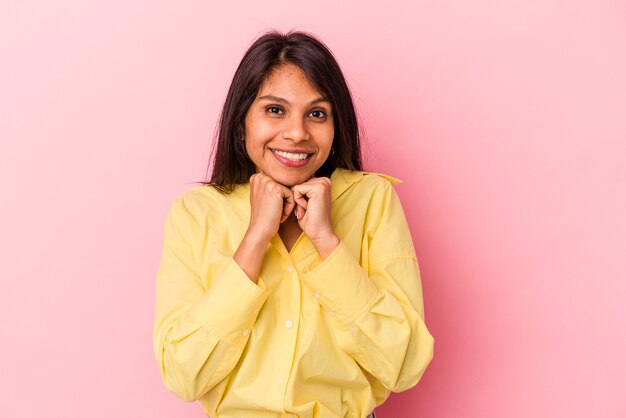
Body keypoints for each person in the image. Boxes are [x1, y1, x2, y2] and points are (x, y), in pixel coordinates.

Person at [152, 29, 434, 418]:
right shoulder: (195, 213)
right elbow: (183, 376)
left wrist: (327, 242)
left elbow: (403, 366)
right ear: (242, 122)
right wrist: (255, 239)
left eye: (316, 114)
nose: (297, 132)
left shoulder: (373, 201)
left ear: (335, 127)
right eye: (275, 110)